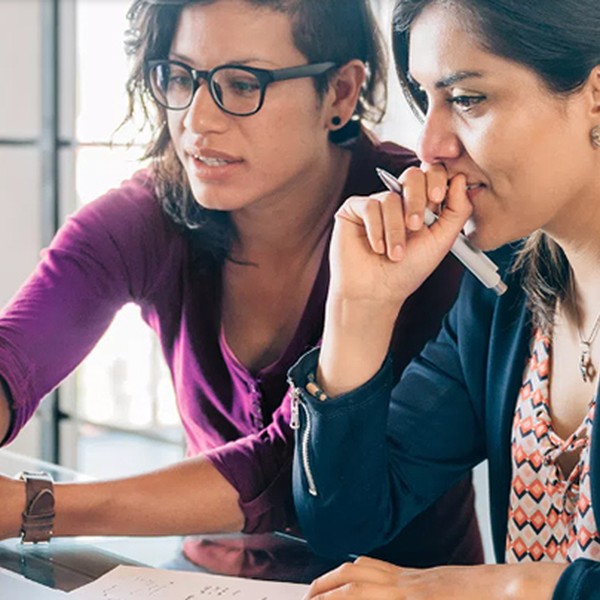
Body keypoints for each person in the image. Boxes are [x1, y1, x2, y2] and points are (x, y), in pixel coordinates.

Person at [0, 0, 482, 569]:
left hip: (397, 581)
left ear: (341, 93)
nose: (197, 121)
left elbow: (287, 471)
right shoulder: (152, 212)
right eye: (180, 77)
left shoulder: (420, 224)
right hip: (205, 575)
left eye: (241, 83)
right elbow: (17, 355)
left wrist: (35, 507)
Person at [288, 0, 600, 597]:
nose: (429, 146)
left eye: (467, 99)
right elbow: (344, 520)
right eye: (424, 99)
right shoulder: (502, 293)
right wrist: (359, 310)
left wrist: (471, 589)